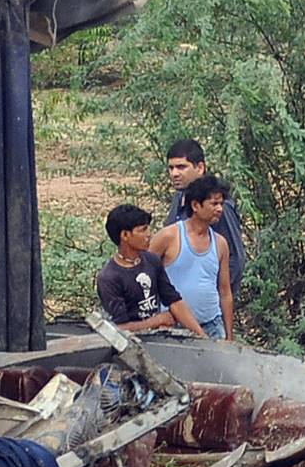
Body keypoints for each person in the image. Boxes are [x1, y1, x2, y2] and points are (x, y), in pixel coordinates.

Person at [95, 203, 205, 335]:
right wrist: (155, 321)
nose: (149, 235)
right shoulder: (109, 277)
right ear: (124, 235)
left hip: (157, 340)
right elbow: (118, 329)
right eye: (142, 230)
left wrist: (201, 335)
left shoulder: (152, 261)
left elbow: (174, 301)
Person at [150, 171, 233, 340]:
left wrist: (229, 337)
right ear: (196, 205)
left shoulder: (220, 243)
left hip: (212, 325)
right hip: (173, 327)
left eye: (221, 204)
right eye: (214, 203)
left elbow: (225, 292)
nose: (219, 209)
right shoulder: (169, 237)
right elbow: (142, 275)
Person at [165, 136, 248, 292]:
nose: (174, 173)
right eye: (171, 168)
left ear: (200, 168)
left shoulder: (218, 206)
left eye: (181, 167)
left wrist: (216, 297)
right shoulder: (180, 198)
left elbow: (235, 259)